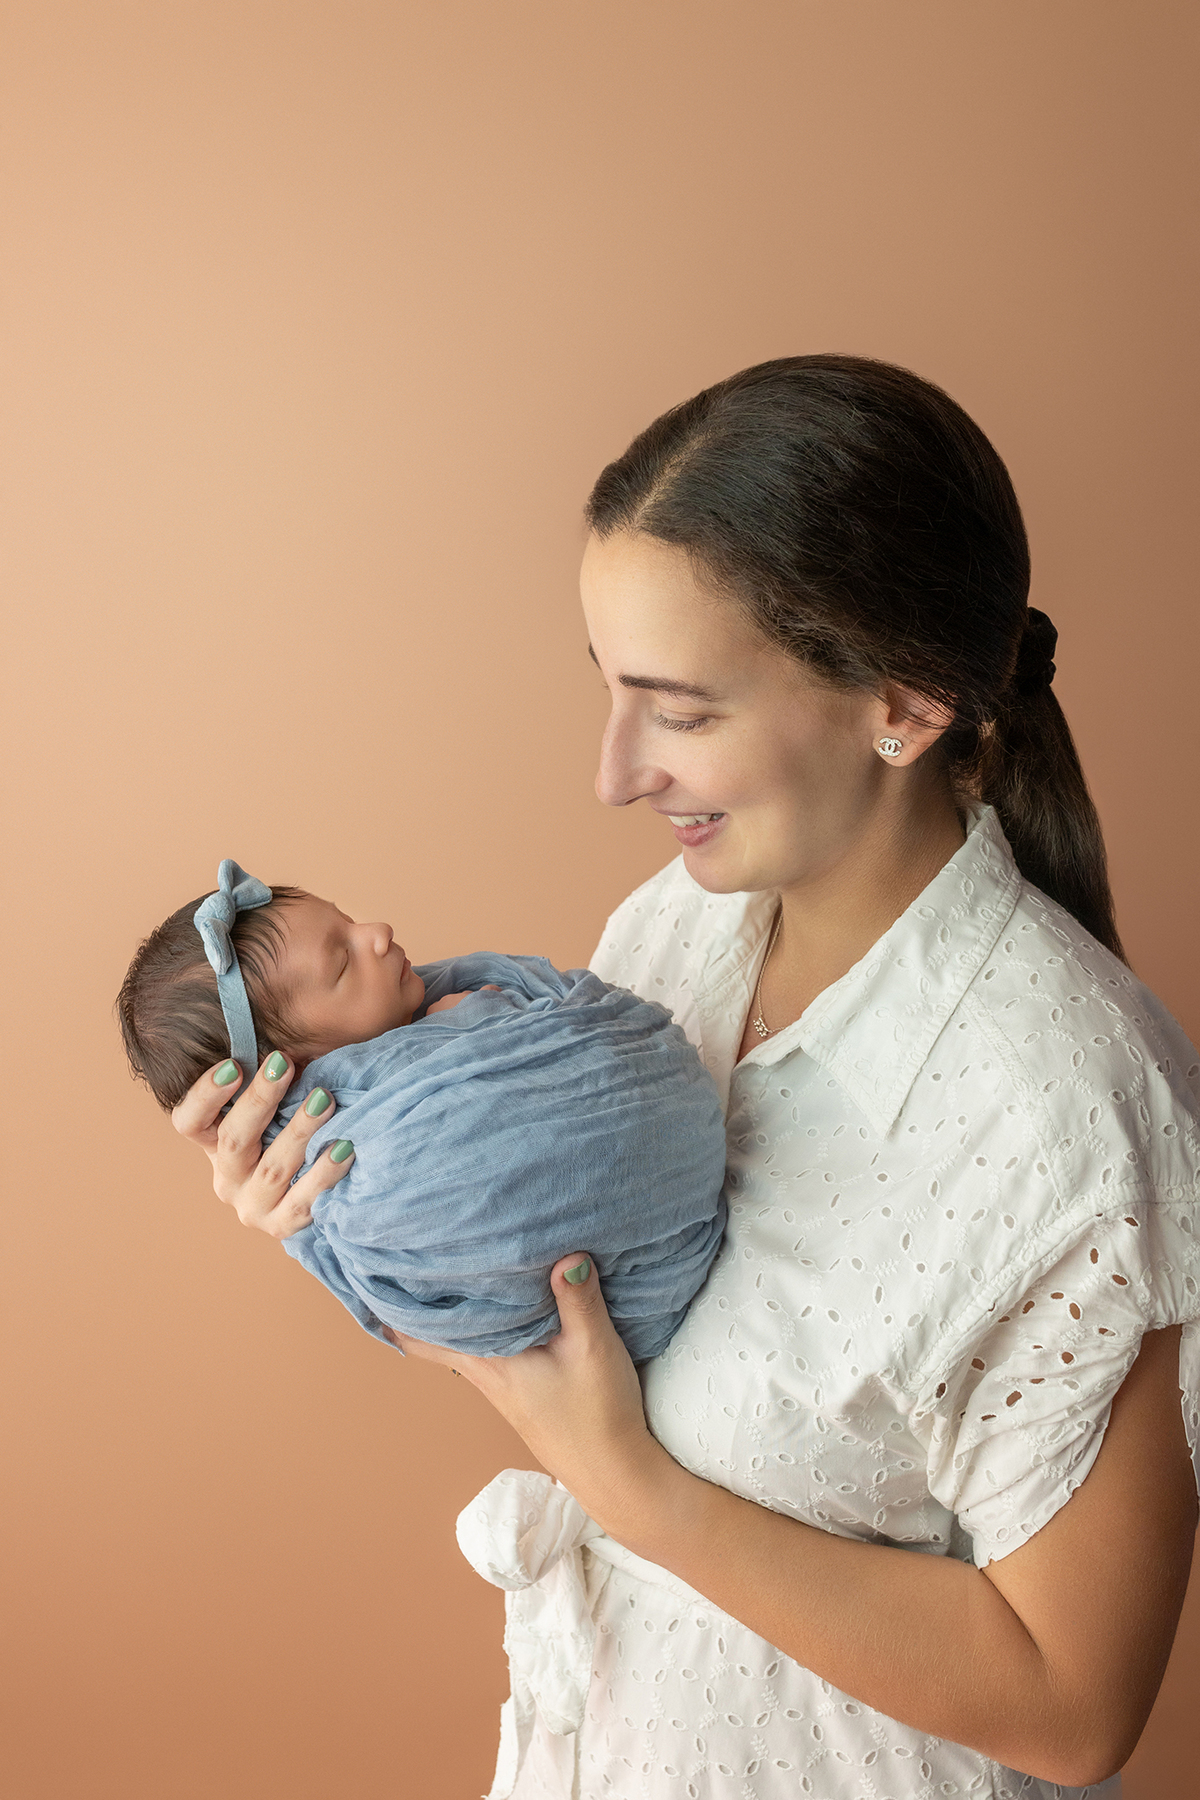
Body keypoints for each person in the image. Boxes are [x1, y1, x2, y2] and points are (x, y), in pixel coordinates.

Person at [171, 356, 1200, 1799]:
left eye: (682, 710)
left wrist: (636, 1495)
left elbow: (1076, 1709)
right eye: (606, 688)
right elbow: (566, 1326)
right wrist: (337, 1211)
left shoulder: (1072, 1119)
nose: (613, 773)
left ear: (902, 705)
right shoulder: (672, 937)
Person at [118, 865, 726, 1358]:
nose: (378, 933)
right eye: (342, 961)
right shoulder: (348, 1161)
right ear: (292, 1071)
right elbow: (435, 1237)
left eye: (349, 921)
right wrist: (480, 1019)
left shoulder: (451, 993)